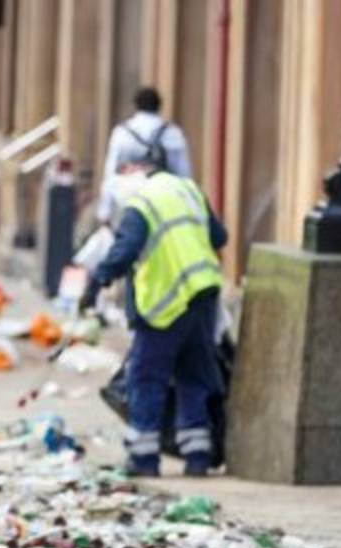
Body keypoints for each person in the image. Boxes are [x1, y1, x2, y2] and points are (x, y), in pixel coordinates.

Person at [79, 145, 227, 478]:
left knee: (146, 378)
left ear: (132, 169)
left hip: (165, 303)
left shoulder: (141, 203)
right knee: (194, 375)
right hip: (204, 295)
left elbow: (124, 250)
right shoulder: (189, 189)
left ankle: (144, 459)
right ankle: (198, 456)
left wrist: (96, 283)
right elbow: (220, 235)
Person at [96, 87, 192, 226]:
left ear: (136, 105)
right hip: (162, 202)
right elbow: (184, 174)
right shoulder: (172, 134)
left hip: (128, 200)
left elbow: (110, 173)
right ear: (159, 106)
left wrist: (105, 211)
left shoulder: (122, 133)